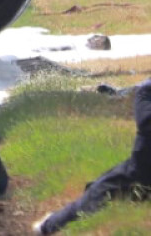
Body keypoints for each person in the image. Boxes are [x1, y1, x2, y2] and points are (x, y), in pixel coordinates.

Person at [35, 77, 151, 233]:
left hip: (140, 172)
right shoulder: (146, 90)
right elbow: (146, 123)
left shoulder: (146, 90)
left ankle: (49, 226)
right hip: (139, 168)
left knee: (100, 190)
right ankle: (50, 225)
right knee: (99, 188)